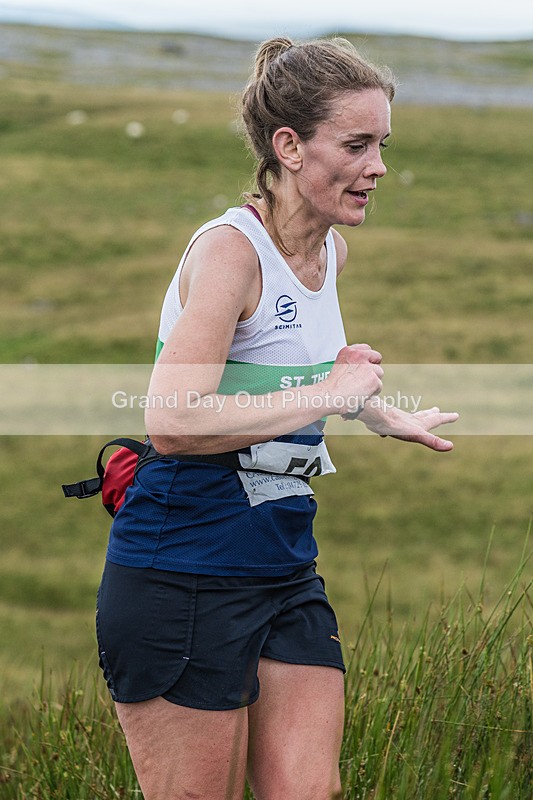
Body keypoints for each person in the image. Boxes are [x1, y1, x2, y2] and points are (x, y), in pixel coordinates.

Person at [95, 37, 458, 800]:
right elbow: (173, 419)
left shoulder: (329, 256)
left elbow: (292, 382)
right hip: (183, 561)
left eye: (382, 145)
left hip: (284, 559)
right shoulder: (232, 251)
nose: (378, 168)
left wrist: (370, 407)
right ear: (288, 147)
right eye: (356, 145)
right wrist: (328, 393)